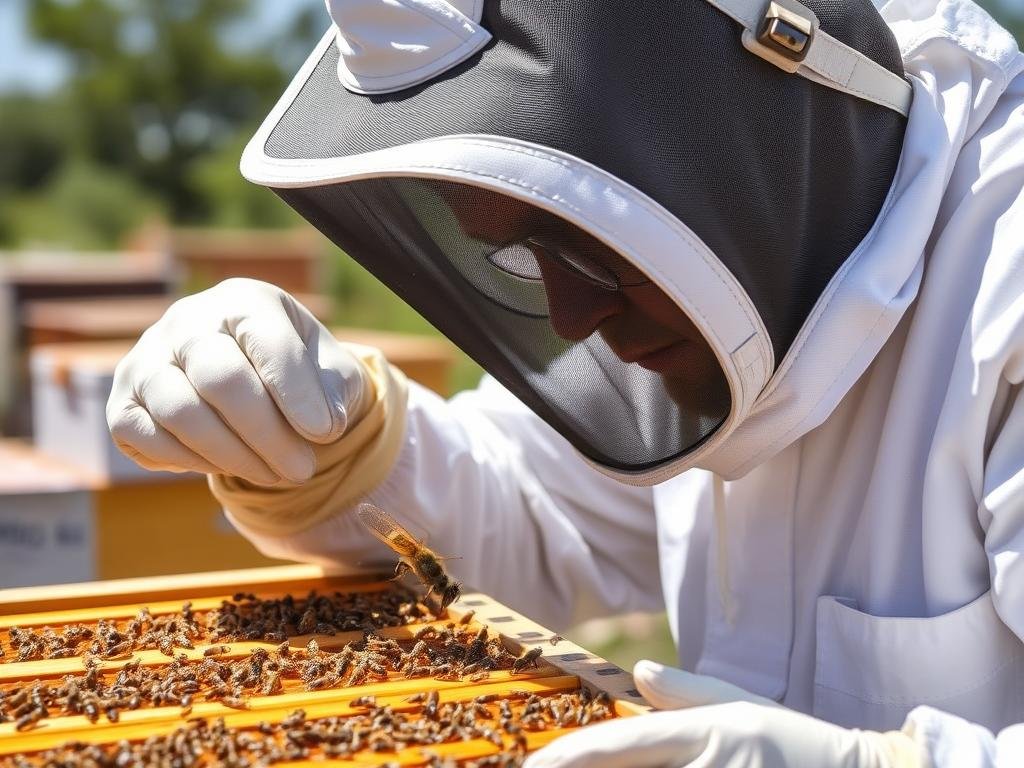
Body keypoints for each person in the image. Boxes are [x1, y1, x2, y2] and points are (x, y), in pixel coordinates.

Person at [106, 0, 1024, 764]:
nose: (573, 319)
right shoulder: (719, 300)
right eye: (515, 246)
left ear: (729, 127)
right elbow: (534, 511)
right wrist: (342, 447)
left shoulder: (1005, 277)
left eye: (580, 234)